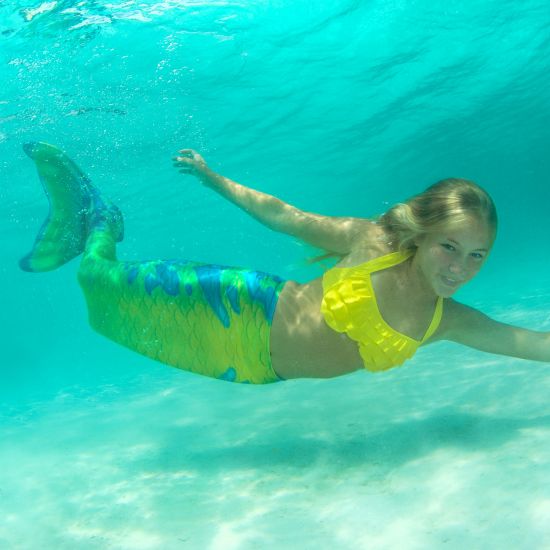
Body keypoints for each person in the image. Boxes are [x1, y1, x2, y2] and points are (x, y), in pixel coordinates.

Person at [20, 142, 549, 384]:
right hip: (242, 304)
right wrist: (213, 178)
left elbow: (525, 342)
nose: (460, 268)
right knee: (101, 281)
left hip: (250, 369)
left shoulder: (446, 321)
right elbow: (286, 217)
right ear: (423, 233)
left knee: (117, 323)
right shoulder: (374, 242)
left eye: (477, 255)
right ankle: (99, 223)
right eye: (449, 247)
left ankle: (92, 229)